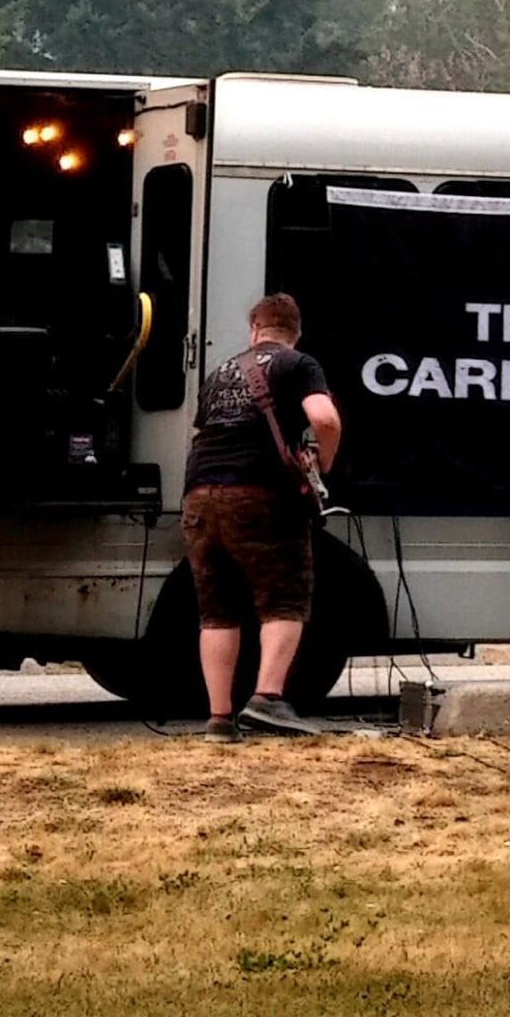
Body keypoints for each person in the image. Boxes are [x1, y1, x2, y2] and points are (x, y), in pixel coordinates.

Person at [181, 293, 342, 743]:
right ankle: (268, 699)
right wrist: (321, 462)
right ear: (296, 333)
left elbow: (199, 434)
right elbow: (324, 418)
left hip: (199, 495)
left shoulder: (219, 372)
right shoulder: (298, 364)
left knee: (217, 611)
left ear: (254, 330)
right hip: (259, 492)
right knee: (285, 596)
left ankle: (219, 720)